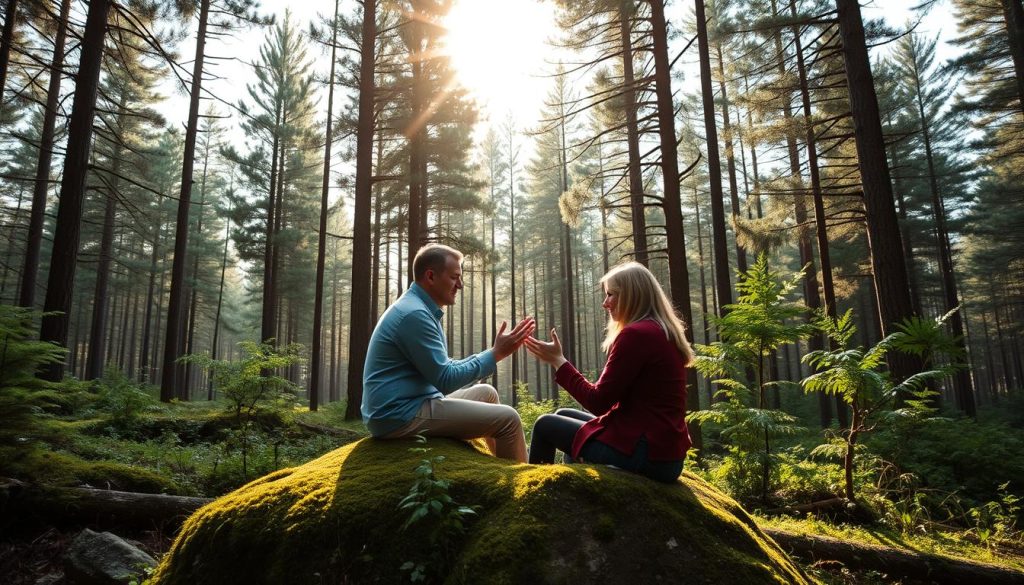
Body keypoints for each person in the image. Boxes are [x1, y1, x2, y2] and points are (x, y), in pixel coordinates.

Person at [361, 243, 535, 462]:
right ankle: (522, 489)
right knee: (509, 419)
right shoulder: (414, 315)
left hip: (410, 402)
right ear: (431, 276)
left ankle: (501, 465)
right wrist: (495, 354)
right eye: (454, 277)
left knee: (487, 394)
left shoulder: (419, 308)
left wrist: (493, 353)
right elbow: (445, 378)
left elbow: (441, 368)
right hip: (397, 414)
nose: (460, 285)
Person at [524, 261, 694, 483]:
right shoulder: (661, 330)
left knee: (545, 425)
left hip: (647, 454)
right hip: (664, 452)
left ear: (632, 296)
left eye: (611, 295)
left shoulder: (637, 335)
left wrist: (559, 362)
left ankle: (534, 500)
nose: (605, 303)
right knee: (562, 415)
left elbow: (598, 402)